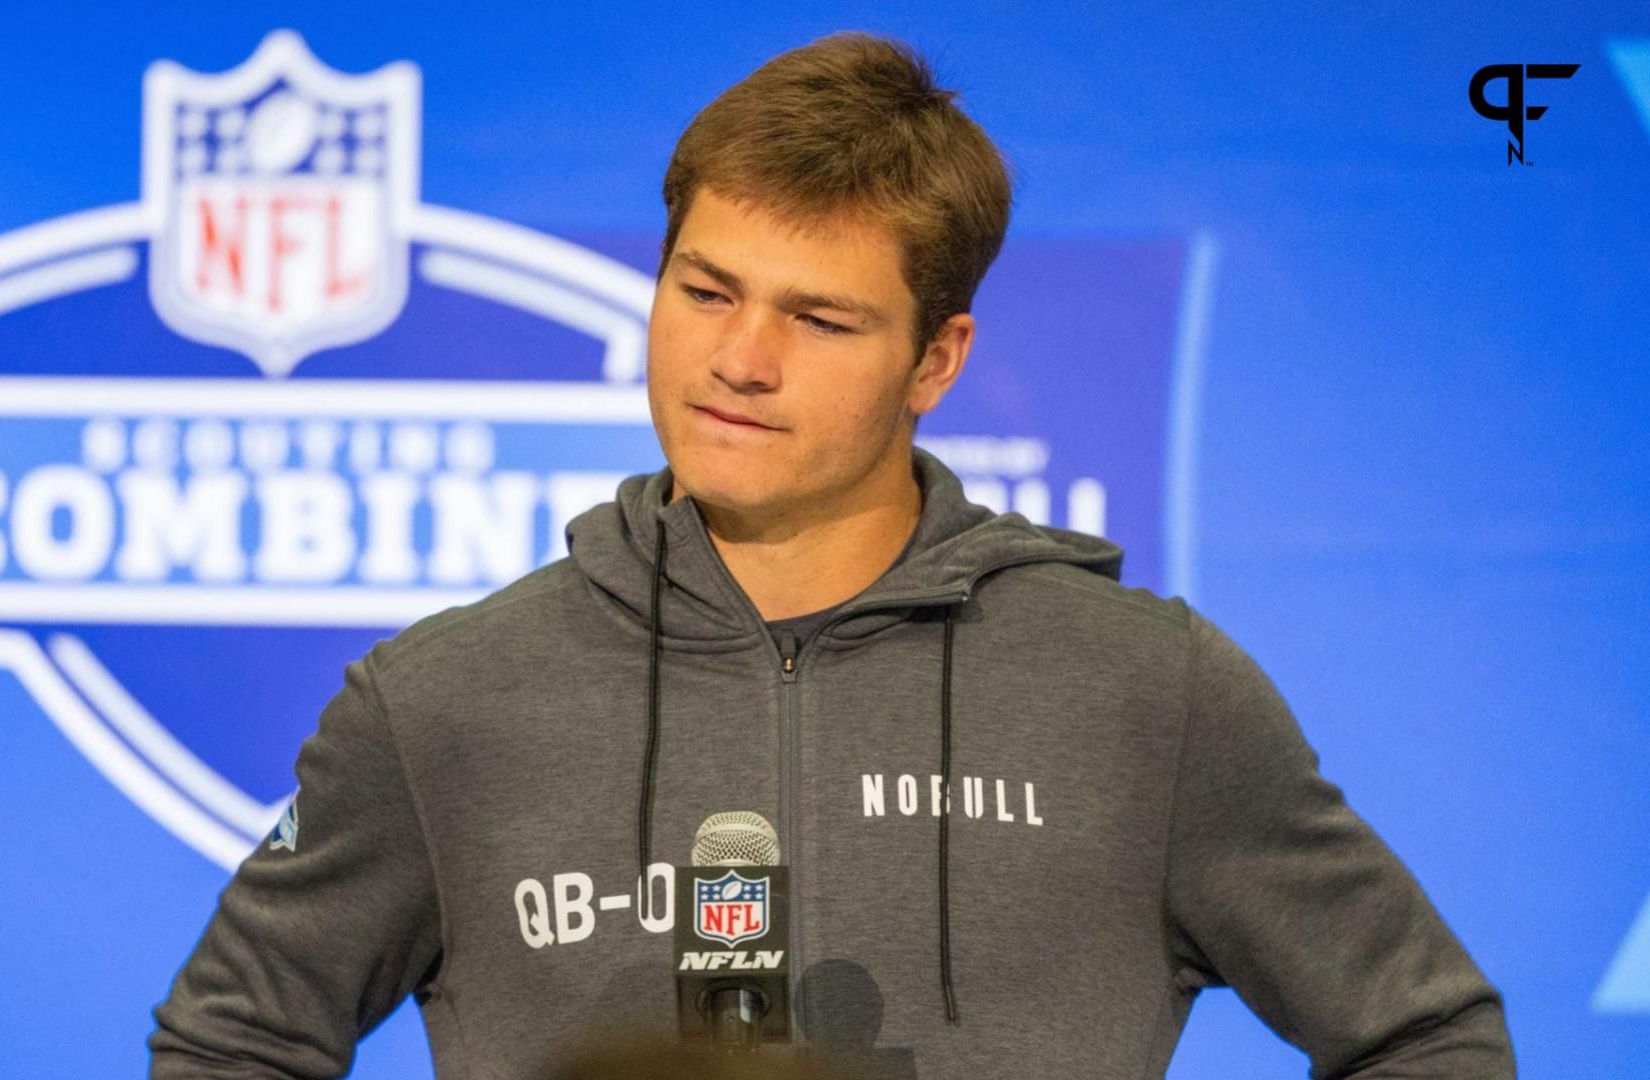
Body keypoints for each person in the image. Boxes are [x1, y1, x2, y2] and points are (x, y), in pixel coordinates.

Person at [150, 32, 1515, 1078]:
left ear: (937, 359)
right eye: (705, 291)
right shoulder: (444, 702)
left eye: (820, 318)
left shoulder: (1148, 697)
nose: (739, 361)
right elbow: (227, 1049)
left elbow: (1428, 1038)